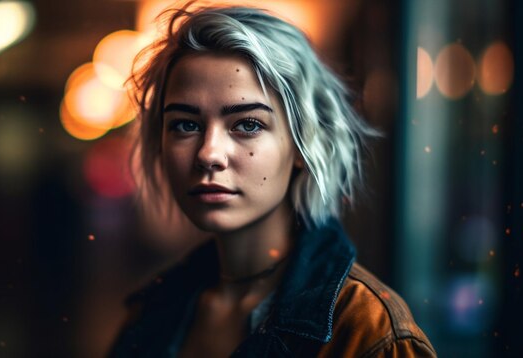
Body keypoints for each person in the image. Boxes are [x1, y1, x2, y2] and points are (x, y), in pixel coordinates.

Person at [110, 4, 436, 357]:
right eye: (185, 124)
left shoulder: (366, 332)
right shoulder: (151, 312)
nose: (208, 154)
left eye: (248, 124)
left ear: (302, 144)